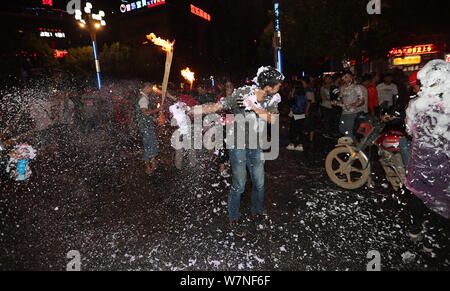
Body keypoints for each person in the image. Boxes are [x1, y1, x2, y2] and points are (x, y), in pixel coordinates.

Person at [188, 66, 284, 237]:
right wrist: (193, 110)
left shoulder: (272, 99)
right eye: (277, 85)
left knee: (259, 183)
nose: (279, 88)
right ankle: (234, 218)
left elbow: (273, 119)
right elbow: (218, 106)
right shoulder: (243, 93)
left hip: (257, 146)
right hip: (237, 144)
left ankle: (257, 212)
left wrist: (253, 107)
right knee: (239, 185)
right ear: (267, 86)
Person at [404, 60, 450, 254]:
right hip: (443, 165)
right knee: (439, 202)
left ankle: (415, 230)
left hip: (420, 162)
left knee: (418, 195)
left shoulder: (417, 104)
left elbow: (409, 129)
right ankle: (430, 242)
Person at [137, 83, 162, 176]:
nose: (151, 89)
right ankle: (148, 168)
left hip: (147, 126)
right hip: (145, 127)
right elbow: (145, 113)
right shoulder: (143, 98)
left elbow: (146, 114)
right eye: (150, 88)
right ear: (146, 87)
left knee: (153, 144)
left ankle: (153, 163)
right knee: (148, 146)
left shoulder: (145, 97)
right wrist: (158, 109)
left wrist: (153, 118)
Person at [334, 70, 364, 141]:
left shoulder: (356, 87)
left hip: (352, 113)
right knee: (341, 129)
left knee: (348, 130)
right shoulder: (342, 88)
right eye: (344, 77)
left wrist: (351, 105)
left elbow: (361, 101)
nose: (345, 78)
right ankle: (354, 142)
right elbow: (342, 100)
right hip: (344, 112)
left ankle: (353, 146)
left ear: (351, 78)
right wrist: (336, 103)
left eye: (347, 77)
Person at [286, 84, 308, 151]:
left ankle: (291, 144)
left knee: (293, 130)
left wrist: (291, 94)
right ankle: (300, 145)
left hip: (296, 115)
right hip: (302, 115)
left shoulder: (295, 97)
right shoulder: (305, 96)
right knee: (301, 130)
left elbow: (290, 103)